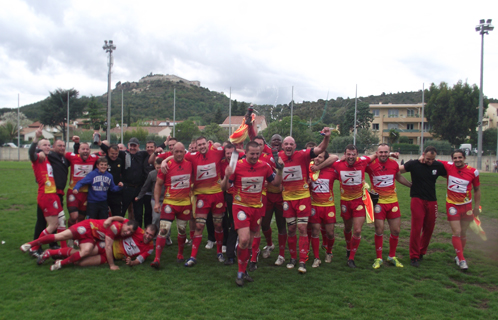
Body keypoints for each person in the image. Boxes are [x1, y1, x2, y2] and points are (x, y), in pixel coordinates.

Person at [222, 141, 283, 286]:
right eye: (252, 154)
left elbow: (276, 183)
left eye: (257, 153)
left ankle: (243, 271)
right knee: (243, 240)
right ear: (246, 152)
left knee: (249, 242)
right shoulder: (237, 166)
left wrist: (280, 171)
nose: (255, 156)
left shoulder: (264, 166)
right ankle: (239, 272)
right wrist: (226, 176)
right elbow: (224, 187)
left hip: (256, 208)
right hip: (240, 207)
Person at [163, 136, 226, 266]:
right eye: (199, 145)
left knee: (218, 225)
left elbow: (234, 150)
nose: (202, 147)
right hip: (202, 196)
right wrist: (165, 161)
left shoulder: (218, 152)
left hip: (217, 195)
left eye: (203, 144)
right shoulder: (191, 156)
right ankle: (193, 257)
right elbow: (177, 156)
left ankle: (219, 252)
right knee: (199, 225)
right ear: (196, 146)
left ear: (208, 144)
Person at [315, 144, 377, 268]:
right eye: (348, 154)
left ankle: (351, 258)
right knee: (347, 228)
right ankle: (349, 248)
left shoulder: (363, 161)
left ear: (357, 155)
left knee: (358, 230)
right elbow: (332, 158)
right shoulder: (338, 164)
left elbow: (375, 154)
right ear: (345, 154)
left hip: (359, 201)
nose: (351, 157)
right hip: (345, 202)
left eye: (353, 154)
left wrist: (392, 154)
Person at [278, 128, 331, 273]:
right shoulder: (279, 156)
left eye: (291, 144)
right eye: (286, 144)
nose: (288, 146)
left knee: (302, 229)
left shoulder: (303, 155)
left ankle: (302, 260)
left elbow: (321, 148)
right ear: (283, 146)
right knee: (291, 229)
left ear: (295, 146)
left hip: (302, 198)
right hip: (287, 199)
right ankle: (293, 258)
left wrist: (326, 137)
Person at [21, 217, 138, 270]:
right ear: (125, 225)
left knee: (85, 252)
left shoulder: (125, 225)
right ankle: (30, 244)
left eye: (130, 232)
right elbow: (108, 246)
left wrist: (111, 217)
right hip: (87, 227)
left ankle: (59, 263)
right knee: (61, 236)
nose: (127, 232)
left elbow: (123, 218)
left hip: (92, 237)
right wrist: (111, 265)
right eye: (127, 229)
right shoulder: (115, 228)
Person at [366, 144, 411, 269]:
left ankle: (391, 256)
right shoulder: (370, 165)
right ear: (377, 153)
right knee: (379, 230)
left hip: (393, 202)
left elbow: (398, 177)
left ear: (389, 152)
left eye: (386, 152)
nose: (384, 154)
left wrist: (411, 185)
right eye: (381, 152)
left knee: (396, 230)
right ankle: (379, 258)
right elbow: (359, 165)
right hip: (379, 203)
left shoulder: (394, 164)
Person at [400, 146, 447, 267]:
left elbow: (450, 175)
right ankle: (414, 256)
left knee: (429, 228)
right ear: (423, 154)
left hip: (432, 201)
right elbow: (396, 171)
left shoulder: (438, 166)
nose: (430, 161)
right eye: (428, 159)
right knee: (416, 228)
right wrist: (409, 184)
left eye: (432, 159)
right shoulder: (413, 164)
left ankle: (421, 252)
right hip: (417, 200)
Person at [25, 125, 66, 257]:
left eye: (49, 145)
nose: (47, 147)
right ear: (39, 147)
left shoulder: (48, 158)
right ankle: (34, 247)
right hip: (46, 195)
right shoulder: (38, 158)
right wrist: (36, 138)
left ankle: (59, 248)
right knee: (50, 224)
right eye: (45, 145)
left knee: (61, 221)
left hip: (53, 194)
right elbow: (31, 154)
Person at [152, 142, 193, 268]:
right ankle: (157, 259)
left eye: (181, 151)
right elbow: (158, 184)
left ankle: (180, 254)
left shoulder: (190, 164)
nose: (179, 154)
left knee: (181, 231)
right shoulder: (166, 166)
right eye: (176, 152)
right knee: (163, 230)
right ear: (172, 152)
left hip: (185, 204)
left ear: (184, 152)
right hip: (170, 203)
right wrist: (157, 202)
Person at [439, 149, 480, 271]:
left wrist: (477, 206)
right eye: (455, 158)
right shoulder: (448, 166)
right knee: (456, 231)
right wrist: (422, 157)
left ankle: (458, 256)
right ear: (452, 159)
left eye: (460, 157)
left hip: (467, 206)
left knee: (463, 232)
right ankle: (462, 259)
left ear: (464, 158)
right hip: (452, 205)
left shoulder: (473, 172)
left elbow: (477, 190)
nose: (457, 160)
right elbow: (433, 158)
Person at [98, 137, 153, 226]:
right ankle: (119, 230)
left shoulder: (142, 154)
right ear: (128, 145)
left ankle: (137, 233)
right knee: (122, 211)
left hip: (138, 188)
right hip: (126, 188)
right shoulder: (124, 155)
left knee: (138, 213)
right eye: (131, 145)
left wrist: (164, 144)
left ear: (138, 146)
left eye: (134, 146)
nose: (132, 148)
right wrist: (100, 143)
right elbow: (110, 150)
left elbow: (152, 152)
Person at [34, 138, 70, 253]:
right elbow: (36, 156)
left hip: (58, 194)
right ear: (53, 147)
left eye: (63, 146)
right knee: (42, 221)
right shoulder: (50, 155)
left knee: (58, 220)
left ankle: (53, 243)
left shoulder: (64, 159)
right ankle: (36, 245)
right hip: (48, 193)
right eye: (59, 146)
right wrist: (38, 151)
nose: (62, 147)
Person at [70, 225, 158, 268]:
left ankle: (65, 257)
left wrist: (132, 263)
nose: (147, 236)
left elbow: (139, 260)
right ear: (144, 230)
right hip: (105, 246)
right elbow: (124, 222)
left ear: (154, 237)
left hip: (109, 257)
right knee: (82, 253)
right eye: (147, 233)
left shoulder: (150, 248)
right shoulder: (137, 230)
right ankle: (60, 255)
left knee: (80, 263)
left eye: (151, 235)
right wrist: (111, 219)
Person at [260, 134, 288, 264]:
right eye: (274, 140)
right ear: (270, 143)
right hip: (268, 195)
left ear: (282, 143)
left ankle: (281, 255)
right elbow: (256, 138)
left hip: (281, 196)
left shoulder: (286, 155)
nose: (276, 142)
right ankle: (270, 244)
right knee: (264, 224)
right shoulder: (267, 154)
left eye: (279, 140)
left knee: (281, 224)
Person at [309, 151, 338, 267]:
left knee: (330, 233)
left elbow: (335, 156)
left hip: (328, 206)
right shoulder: (310, 169)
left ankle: (329, 252)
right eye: (316, 156)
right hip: (315, 206)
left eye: (320, 157)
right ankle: (316, 257)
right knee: (315, 232)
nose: (317, 158)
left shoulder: (331, 170)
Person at [66, 137, 99, 227]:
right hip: (73, 192)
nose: (85, 151)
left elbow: (104, 155)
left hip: (86, 193)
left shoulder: (94, 158)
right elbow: (59, 154)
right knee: (74, 216)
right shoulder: (72, 157)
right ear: (79, 150)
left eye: (87, 149)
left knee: (81, 217)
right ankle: (71, 234)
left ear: (90, 151)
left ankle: (78, 237)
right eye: (83, 149)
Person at [104, 144, 124, 217]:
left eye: (116, 154)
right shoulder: (104, 161)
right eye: (112, 154)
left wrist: (121, 182)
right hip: (104, 191)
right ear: (108, 152)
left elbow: (123, 173)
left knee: (117, 213)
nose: (114, 156)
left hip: (116, 191)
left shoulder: (120, 161)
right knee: (104, 214)